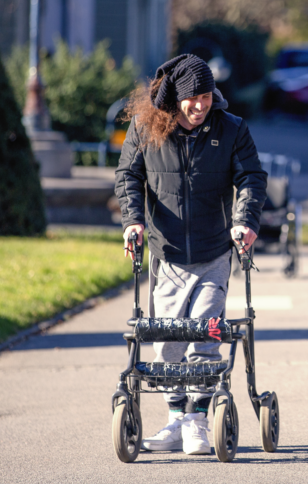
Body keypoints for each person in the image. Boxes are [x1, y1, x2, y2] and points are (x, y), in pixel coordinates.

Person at [114, 54, 267, 456]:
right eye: (192, 98)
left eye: (206, 96)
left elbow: (251, 176)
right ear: (174, 99)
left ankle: (198, 420)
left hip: (214, 250)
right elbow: (128, 174)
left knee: (204, 332)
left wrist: (245, 219)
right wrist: (133, 220)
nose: (200, 106)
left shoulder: (231, 129)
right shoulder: (147, 129)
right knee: (166, 342)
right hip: (166, 254)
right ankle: (176, 419)